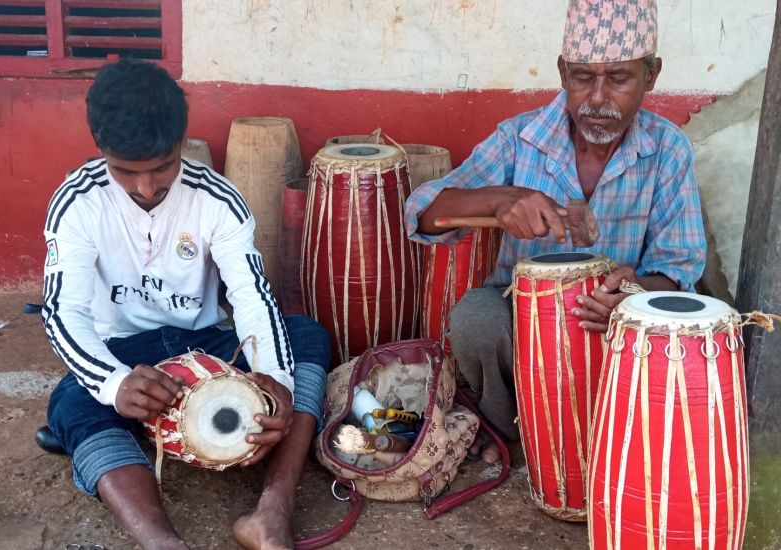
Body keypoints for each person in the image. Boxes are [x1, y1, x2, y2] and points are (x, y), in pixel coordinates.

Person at [38, 58, 330, 550]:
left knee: (305, 338)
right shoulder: (78, 202)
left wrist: (275, 380)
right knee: (74, 399)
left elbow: (251, 295)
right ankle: (162, 542)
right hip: (125, 352)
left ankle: (271, 512)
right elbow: (62, 312)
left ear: (181, 143)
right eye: (125, 171)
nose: (146, 188)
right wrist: (113, 383)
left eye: (162, 167)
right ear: (102, 151)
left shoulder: (218, 198)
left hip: (206, 344)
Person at [404, 0, 705, 463]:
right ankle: (511, 424)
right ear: (563, 73)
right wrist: (499, 199)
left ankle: (609, 427)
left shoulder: (667, 149)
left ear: (651, 75)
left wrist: (633, 296)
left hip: (617, 327)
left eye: (619, 79)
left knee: (680, 334)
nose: (598, 99)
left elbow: (678, 269)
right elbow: (422, 213)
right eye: (583, 78)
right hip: (526, 329)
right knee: (477, 317)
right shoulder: (520, 138)